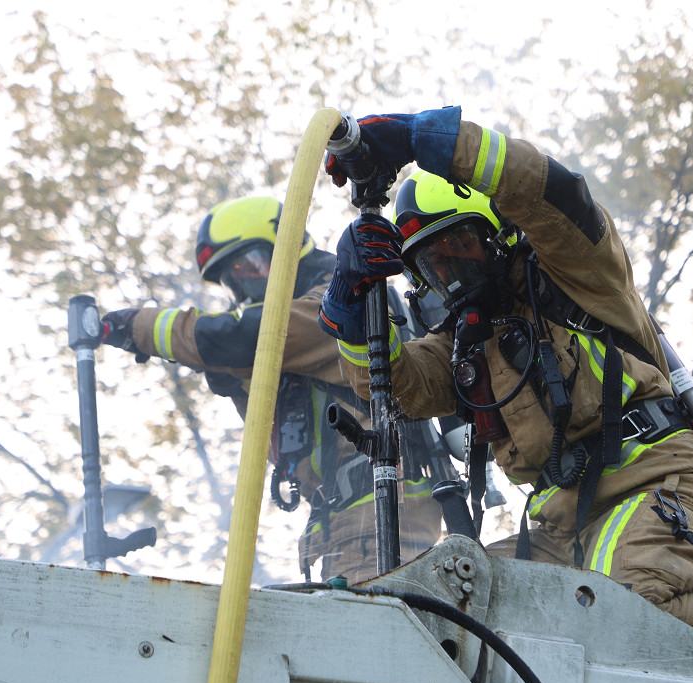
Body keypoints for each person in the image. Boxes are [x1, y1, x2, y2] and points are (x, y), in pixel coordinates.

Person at [317, 107, 693, 683]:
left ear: (499, 236)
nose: (452, 273)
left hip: (656, 480)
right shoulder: (467, 344)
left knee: (625, 619)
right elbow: (394, 386)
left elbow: (549, 192)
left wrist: (426, 140)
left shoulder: (579, 274)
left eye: (461, 246)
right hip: (558, 525)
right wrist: (350, 301)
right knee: (447, 604)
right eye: (433, 266)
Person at [101, 195, 446, 582]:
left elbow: (250, 334)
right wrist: (234, 383)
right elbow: (280, 445)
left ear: (287, 249)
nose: (245, 286)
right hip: (342, 528)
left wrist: (140, 328)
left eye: (250, 266)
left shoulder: (343, 301)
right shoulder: (289, 352)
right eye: (234, 279)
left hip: (381, 519)